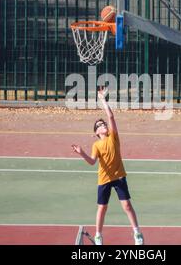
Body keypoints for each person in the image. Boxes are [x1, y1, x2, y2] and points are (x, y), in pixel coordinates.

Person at [71, 87, 144, 245]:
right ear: (97, 132)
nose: (103, 125)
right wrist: (81, 152)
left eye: (103, 123)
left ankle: (137, 233)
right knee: (102, 208)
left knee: (126, 205)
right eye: (99, 125)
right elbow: (92, 162)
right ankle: (98, 235)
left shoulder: (113, 137)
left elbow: (110, 115)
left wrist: (102, 99)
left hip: (118, 176)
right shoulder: (96, 145)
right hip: (104, 178)